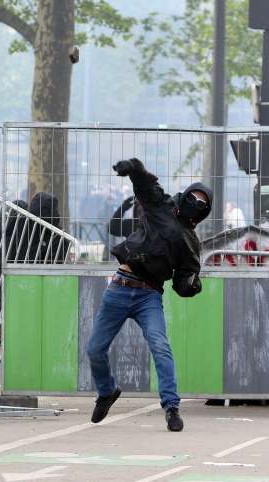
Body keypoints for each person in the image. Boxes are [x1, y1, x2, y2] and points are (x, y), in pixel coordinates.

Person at [86, 157, 212, 433]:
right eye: (194, 197)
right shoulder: (161, 207)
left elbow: (183, 283)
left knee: (160, 347)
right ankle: (106, 392)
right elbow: (147, 187)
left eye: (202, 203)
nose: (196, 203)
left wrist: (192, 285)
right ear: (185, 195)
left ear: (205, 211)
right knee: (94, 350)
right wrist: (136, 169)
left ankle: (171, 407)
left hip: (148, 297)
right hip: (119, 287)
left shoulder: (191, 244)